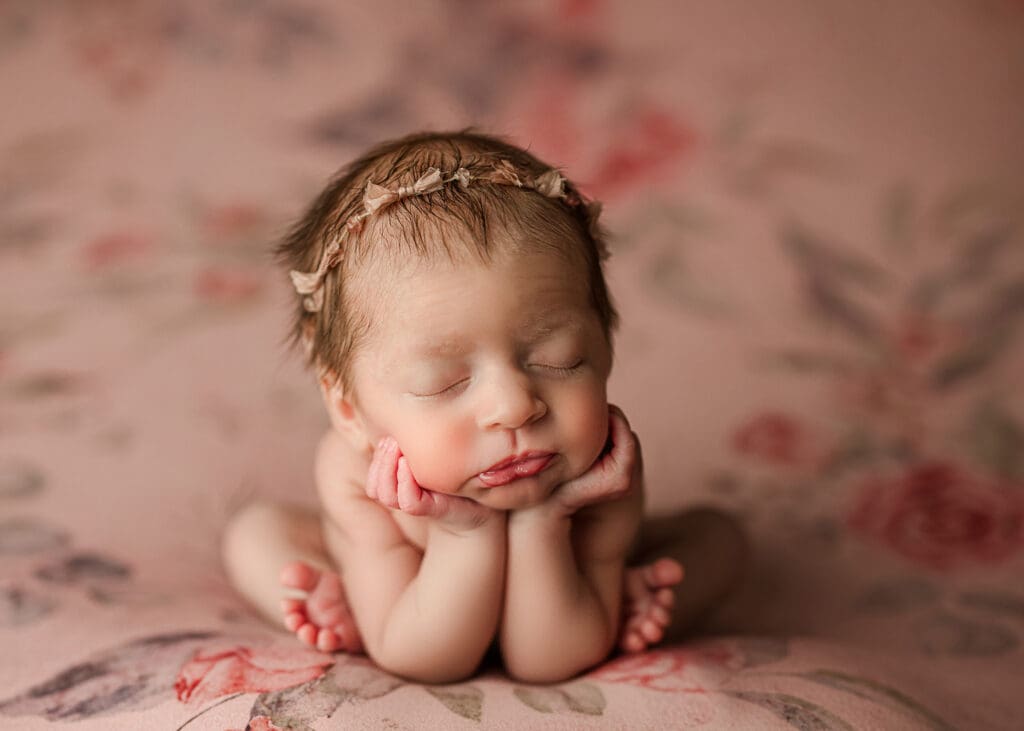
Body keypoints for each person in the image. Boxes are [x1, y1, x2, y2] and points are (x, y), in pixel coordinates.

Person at [221, 130, 746, 684]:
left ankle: (620, 603)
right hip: (416, 609)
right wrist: (461, 533)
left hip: (562, 606)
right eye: (443, 382)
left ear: (605, 347)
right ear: (351, 413)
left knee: (720, 539)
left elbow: (547, 660)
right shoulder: (358, 477)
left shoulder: (601, 467)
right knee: (255, 534)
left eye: (560, 358)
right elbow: (424, 658)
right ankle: (357, 600)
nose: (515, 407)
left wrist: (548, 517)